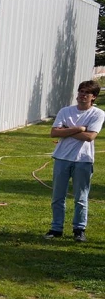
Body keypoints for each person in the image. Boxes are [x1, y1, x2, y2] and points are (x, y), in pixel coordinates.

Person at [46, 79, 103, 242]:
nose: (82, 95)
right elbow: (54, 133)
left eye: (87, 93)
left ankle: (79, 229)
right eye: (81, 92)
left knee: (81, 196)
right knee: (58, 196)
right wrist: (78, 129)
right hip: (62, 158)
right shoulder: (65, 111)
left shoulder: (98, 114)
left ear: (93, 97)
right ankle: (56, 228)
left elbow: (90, 136)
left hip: (83, 160)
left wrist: (66, 130)